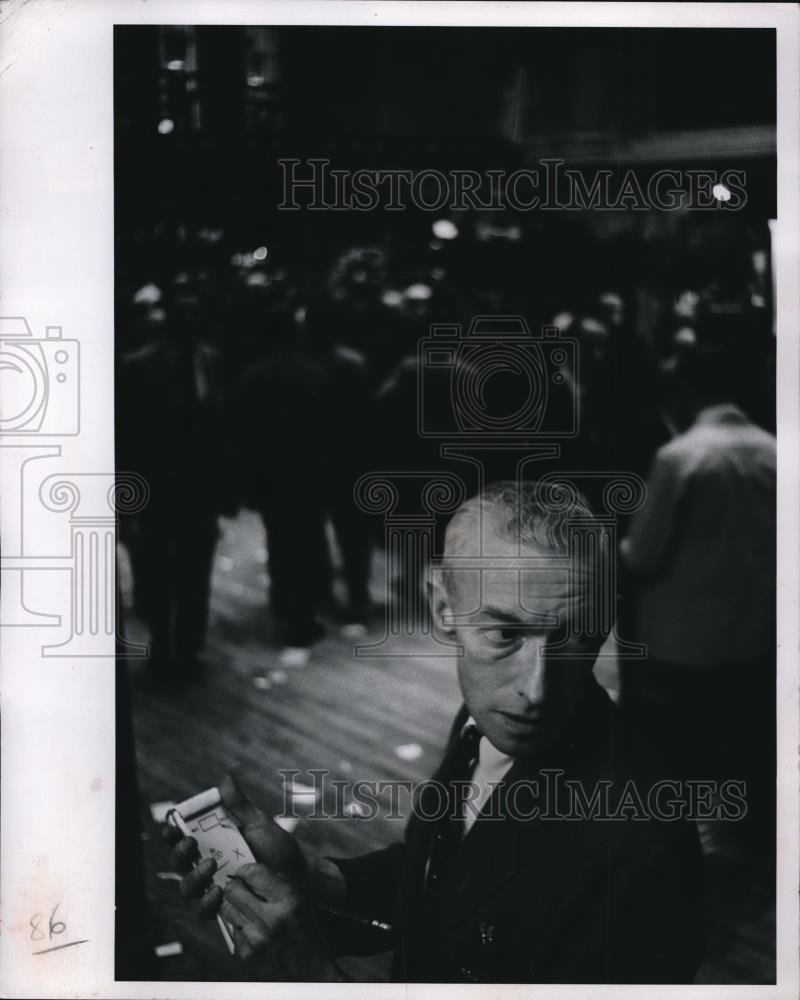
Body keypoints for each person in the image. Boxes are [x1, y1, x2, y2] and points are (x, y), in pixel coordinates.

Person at [165, 480, 705, 983]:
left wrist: (317, 977)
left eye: (574, 639)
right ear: (444, 608)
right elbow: (449, 878)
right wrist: (313, 873)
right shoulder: (483, 725)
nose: (536, 690)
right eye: (504, 633)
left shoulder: (640, 853)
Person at [620, 347, 776, 856]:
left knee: (672, 751)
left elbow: (642, 554)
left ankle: (671, 847)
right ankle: (744, 845)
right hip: (753, 629)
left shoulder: (681, 456)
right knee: (739, 744)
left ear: (686, 392)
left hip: (681, 635)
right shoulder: (774, 450)